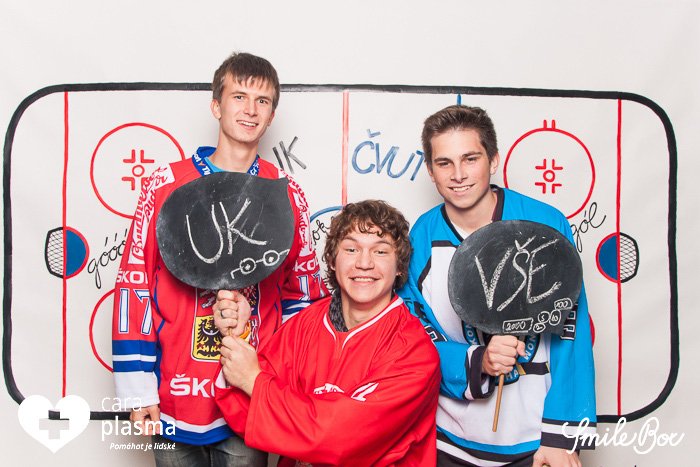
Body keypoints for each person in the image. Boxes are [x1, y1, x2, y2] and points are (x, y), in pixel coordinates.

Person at [111, 52, 327, 466]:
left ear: (272, 115)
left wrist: (290, 387)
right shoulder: (166, 184)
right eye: (239, 97)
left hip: (249, 398)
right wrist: (137, 389)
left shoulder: (287, 194)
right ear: (216, 106)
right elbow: (134, 282)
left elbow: (303, 297)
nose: (250, 110)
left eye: (262, 101)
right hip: (173, 394)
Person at [399, 105, 596, 467]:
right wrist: (478, 361)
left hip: (535, 442)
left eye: (470, 159)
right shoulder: (422, 237)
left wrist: (562, 434)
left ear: (493, 161)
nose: (458, 175)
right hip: (449, 440)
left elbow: (571, 332)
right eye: (444, 163)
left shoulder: (545, 224)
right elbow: (414, 336)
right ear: (430, 170)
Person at [212, 200, 441, 466]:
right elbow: (246, 412)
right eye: (351, 249)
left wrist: (254, 381)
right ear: (332, 260)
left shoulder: (415, 353)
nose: (364, 263)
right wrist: (237, 338)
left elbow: (340, 438)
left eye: (380, 252)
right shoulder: (304, 325)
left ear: (399, 266)